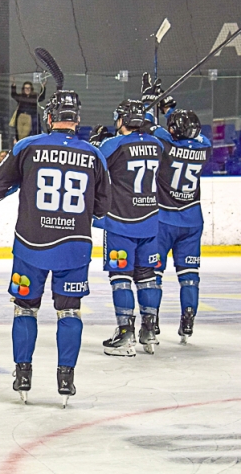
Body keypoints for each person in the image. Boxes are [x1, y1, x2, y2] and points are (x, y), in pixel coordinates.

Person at [0, 90, 111, 405]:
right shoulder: (94, 155)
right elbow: (101, 209)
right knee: (69, 311)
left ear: (50, 118)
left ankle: (23, 373)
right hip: (74, 248)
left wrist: (22, 180)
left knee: (25, 308)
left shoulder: (28, 146)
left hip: (31, 246)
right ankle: (66, 378)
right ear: (77, 119)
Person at [97, 99, 164, 357]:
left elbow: (95, 164)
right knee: (147, 277)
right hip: (149, 221)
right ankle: (150, 331)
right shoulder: (156, 144)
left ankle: (125, 334)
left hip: (120, 222)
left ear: (123, 120)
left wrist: (97, 143)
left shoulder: (113, 144)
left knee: (121, 277)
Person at [151, 108, 211, 344]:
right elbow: (189, 134)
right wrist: (170, 109)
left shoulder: (165, 146)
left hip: (163, 219)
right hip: (192, 221)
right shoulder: (204, 147)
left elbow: (150, 126)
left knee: (154, 273)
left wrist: (149, 105)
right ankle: (188, 318)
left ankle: (151, 319)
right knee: (189, 276)